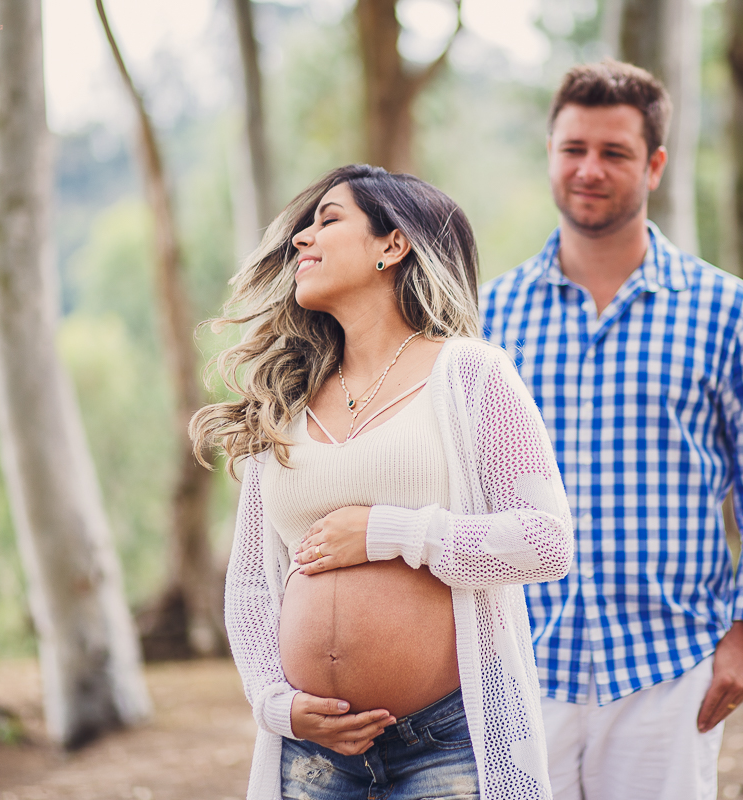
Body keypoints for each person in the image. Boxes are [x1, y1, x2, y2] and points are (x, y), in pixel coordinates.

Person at [479, 60, 743, 800]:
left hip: (670, 665)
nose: (589, 170)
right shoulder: (486, 318)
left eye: (614, 152)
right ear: (550, 154)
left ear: (655, 164)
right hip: (526, 662)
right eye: (573, 149)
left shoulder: (729, 312)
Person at [191, 164, 574, 800]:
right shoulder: (283, 399)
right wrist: (276, 705)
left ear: (392, 245)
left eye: (328, 220)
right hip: (312, 758)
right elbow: (251, 589)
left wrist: (387, 532)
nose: (301, 240)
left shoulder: (471, 375)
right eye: (305, 226)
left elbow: (546, 541)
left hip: (447, 746)